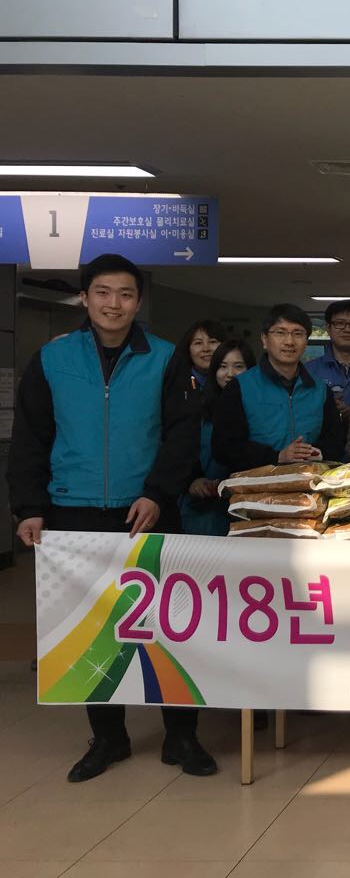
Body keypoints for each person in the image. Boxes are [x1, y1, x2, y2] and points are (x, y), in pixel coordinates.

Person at [8, 253, 214, 782]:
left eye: (125, 294)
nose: (113, 304)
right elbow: (31, 437)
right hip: (72, 510)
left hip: (146, 510)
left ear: (138, 301)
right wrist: (29, 507)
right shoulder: (53, 359)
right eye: (102, 292)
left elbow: (182, 435)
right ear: (85, 298)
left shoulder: (165, 358)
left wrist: (158, 493)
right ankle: (108, 738)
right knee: (91, 630)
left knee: (168, 626)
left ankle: (182, 737)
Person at [214, 304, 345, 472]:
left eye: (298, 334)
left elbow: (336, 441)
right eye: (280, 333)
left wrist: (317, 453)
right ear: (264, 339)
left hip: (308, 482)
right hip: (254, 484)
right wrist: (277, 457)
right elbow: (224, 448)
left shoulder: (320, 390)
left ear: (306, 342)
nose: (289, 342)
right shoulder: (239, 387)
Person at [181, 338, 257, 537]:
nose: (230, 373)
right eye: (223, 366)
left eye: (238, 366)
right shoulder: (196, 407)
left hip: (250, 504)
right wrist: (193, 480)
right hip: (203, 508)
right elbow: (182, 450)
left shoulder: (260, 408)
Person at [177, 319, 227, 390]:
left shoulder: (235, 381)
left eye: (212, 342)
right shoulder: (175, 384)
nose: (206, 349)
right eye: (198, 343)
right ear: (188, 349)